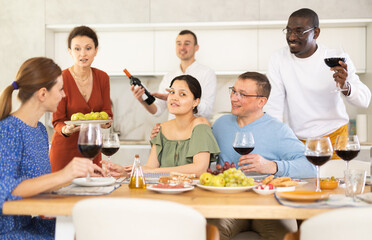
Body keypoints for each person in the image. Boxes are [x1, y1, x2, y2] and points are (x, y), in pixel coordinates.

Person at [0, 57, 103, 239]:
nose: (64, 95)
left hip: (30, 225)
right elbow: (7, 189)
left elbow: (41, 185)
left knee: (93, 227)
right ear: (42, 94)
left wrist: (81, 179)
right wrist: (64, 174)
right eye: (61, 89)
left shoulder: (39, 130)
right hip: (9, 232)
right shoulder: (8, 130)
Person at [209, 71, 315, 240]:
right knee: (210, 233)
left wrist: (273, 166)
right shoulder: (220, 124)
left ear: (261, 101)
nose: (234, 98)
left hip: (269, 205)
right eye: (233, 91)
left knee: (283, 235)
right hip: (230, 204)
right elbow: (203, 154)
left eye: (242, 94)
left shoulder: (278, 130)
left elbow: (311, 166)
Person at [264, 8, 371, 158]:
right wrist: (273, 141)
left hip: (335, 138)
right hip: (297, 141)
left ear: (316, 33)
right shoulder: (278, 59)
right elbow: (274, 106)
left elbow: (365, 100)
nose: (292, 37)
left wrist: (346, 86)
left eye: (299, 31)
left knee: (335, 181)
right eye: (288, 31)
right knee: (301, 182)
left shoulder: (337, 58)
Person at [105, 75, 220, 177]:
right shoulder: (161, 128)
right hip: (164, 191)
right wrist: (127, 172)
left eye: (182, 94)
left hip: (193, 195)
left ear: (195, 102)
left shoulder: (200, 125)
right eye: (172, 92)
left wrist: (151, 171)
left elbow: (199, 169)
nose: (174, 97)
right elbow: (150, 169)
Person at [49, 26, 113, 172]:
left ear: (96, 50)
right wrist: (66, 129)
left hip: (91, 149)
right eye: (77, 49)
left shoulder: (102, 77)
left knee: (93, 192)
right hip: (64, 151)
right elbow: (57, 120)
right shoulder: (60, 78)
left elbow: (107, 113)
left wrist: (106, 123)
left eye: (88, 48)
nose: (83, 54)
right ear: (69, 51)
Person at [131, 30, 217, 120]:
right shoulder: (169, 76)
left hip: (196, 130)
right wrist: (143, 100)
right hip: (173, 132)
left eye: (187, 44)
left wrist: (178, 98)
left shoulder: (207, 73)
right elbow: (158, 110)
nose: (182, 47)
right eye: (179, 44)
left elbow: (206, 110)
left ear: (196, 47)